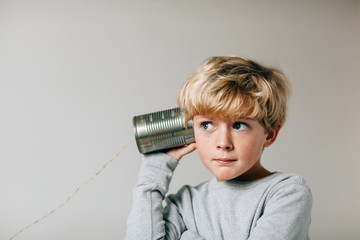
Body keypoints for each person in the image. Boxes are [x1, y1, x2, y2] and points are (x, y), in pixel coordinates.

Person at [125, 56, 312, 239]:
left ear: (270, 134)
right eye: (207, 125)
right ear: (192, 132)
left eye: (239, 125)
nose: (223, 143)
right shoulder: (185, 203)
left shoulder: (288, 193)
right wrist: (154, 169)